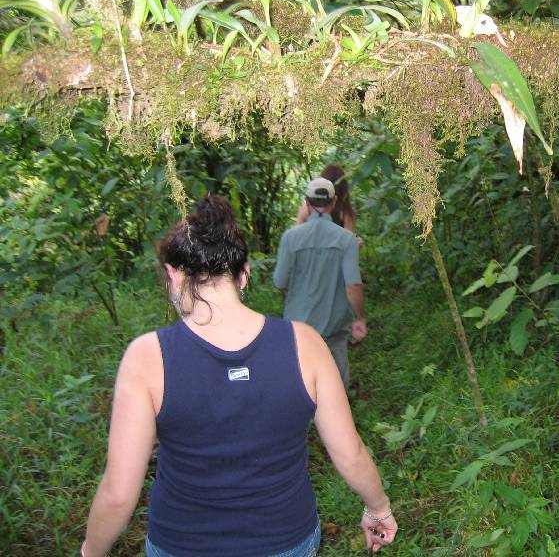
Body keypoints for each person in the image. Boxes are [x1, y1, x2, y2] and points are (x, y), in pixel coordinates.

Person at [80, 195, 396, 557]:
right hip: (287, 541)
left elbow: (119, 493)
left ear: (173, 273)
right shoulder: (305, 344)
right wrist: (379, 508)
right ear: (244, 274)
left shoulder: (147, 357)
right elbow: (350, 453)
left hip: (183, 545)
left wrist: (91, 550)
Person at [274, 178, 366, 388]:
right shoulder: (347, 240)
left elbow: (279, 282)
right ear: (334, 203)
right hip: (334, 327)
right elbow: (353, 285)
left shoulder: (290, 237)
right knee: (338, 385)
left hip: (299, 328)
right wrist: (360, 318)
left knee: (302, 381)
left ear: (306, 203)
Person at [295, 163, 357, 234]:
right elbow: (349, 241)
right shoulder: (346, 211)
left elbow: (297, 235)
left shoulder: (308, 206)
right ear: (343, 186)